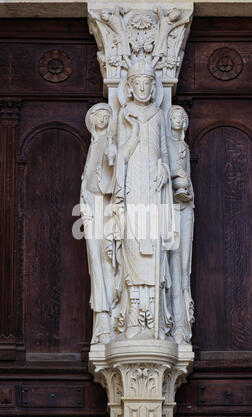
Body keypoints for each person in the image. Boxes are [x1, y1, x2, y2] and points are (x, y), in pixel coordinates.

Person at [113, 60, 175, 339]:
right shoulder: (124, 114)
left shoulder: (158, 115)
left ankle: (155, 318)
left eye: (147, 84)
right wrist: (135, 132)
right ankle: (135, 313)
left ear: (152, 88)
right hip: (132, 186)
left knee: (154, 243)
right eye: (137, 83)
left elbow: (163, 147)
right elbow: (121, 158)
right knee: (134, 243)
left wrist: (163, 165)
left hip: (153, 185)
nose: (142, 88)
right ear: (129, 87)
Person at [80, 103, 116, 344]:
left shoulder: (111, 144)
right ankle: (102, 318)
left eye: (106, 115)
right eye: (98, 115)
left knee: (107, 258)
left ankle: (111, 316)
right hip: (90, 208)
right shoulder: (95, 144)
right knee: (96, 261)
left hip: (108, 209)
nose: (102, 118)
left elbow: (115, 174)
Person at [167, 105, 195, 344]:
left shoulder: (184, 146)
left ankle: (182, 325)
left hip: (185, 208)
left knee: (183, 267)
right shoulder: (166, 145)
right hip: (169, 209)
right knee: (173, 266)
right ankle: (173, 324)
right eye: (173, 116)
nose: (177, 120)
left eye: (181, 117)